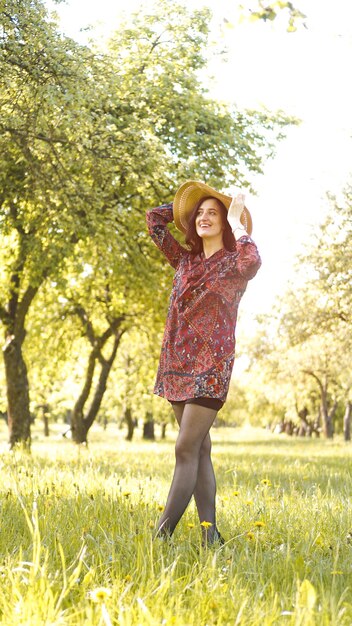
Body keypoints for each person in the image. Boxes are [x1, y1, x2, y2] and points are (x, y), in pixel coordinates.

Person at [146, 180, 261, 544]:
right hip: (176, 364)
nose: (205, 218)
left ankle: (161, 536)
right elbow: (153, 220)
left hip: (211, 367)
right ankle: (211, 537)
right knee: (199, 449)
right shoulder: (184, 260)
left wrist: (237, 220)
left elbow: (253, 262)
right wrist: (184, 209)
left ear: (226, 222)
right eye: (201, 213)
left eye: (214, 213)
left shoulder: (234, 262)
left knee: (184, 448)